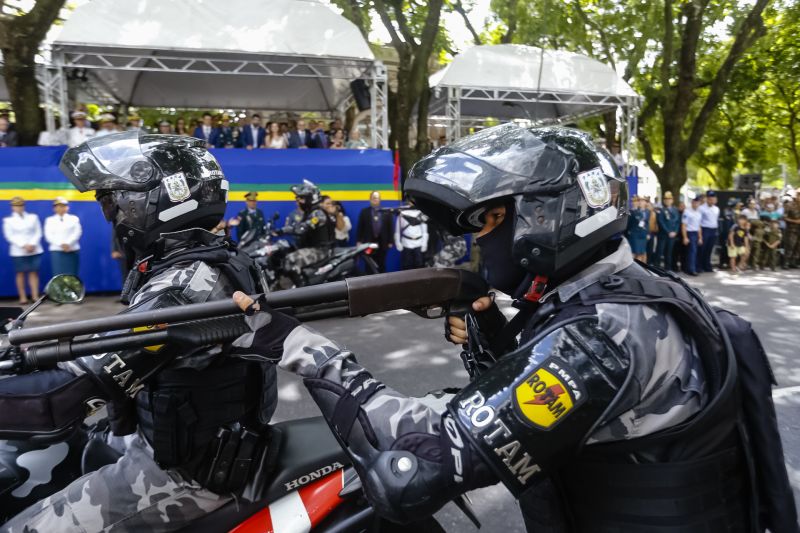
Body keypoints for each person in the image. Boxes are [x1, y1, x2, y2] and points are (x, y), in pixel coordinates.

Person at [228, 123, 797, 533]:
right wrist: (498, 337)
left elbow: (416, 465)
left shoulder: (600, 337)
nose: (477, 240)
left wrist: (299, 346)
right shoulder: (637, 293)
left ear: (549, 216)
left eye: (491, 220)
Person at [1, 131, 277, 532]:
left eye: (113, 202)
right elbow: (111, 344)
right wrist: (30, 353)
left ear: (156, 200)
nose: (111, 215)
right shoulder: (202, 264)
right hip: (192, 442)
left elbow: (62, 396)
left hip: (186, 472)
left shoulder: (185, 285)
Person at [281, 180, 334, 286]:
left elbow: (303, 228)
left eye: (301, 198)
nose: (299, 201)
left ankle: (302, 293)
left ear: (311, 199)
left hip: (321, 250)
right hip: (311, 248)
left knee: (290, 260)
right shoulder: (309, 212)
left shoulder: (318, 213)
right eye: (298, 198)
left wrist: (283, 230)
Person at [2, 196, 43, 304]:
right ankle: (23, 297)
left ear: (24, 206)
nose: (18, 208)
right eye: (16, 206)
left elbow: (38, 231)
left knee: (33, 273)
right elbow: (9, 236)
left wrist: (32, 244)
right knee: (20, 273)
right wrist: (24, 245)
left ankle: (35, 296)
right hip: (18, 250)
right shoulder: (8, 220)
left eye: (20, 205)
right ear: (12, 207)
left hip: (34, 249)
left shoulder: (33, 217)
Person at [43, 197, 82, 276]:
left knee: (73, 274)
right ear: (54, 208)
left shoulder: (74, 218)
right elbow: (48, 235)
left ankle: (73, 289)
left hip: (72, 249)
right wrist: (61, 244)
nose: (61, 208)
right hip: (57, 250)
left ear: (67, 207)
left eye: (64, 206)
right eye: (59, 206)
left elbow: (77, 232)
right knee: (58, 275)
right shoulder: (49, 220)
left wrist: (68, 243)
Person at [356, 191, 393, 272]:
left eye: (377, 198)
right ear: (370, 199)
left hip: (383, 242)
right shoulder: (364, 212)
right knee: (369, 263)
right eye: (373, 198)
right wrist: (359, 240)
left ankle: (382, 281)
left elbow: (390, 227)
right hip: (369, 242)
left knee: (382, 263)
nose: (375, 200)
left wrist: (390, 241)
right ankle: (369, 281)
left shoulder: (386, 212)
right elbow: (360, 227)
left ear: (380, 199)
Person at [394, 205, 428, 270]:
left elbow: (424, 231)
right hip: (406, 243)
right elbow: (397, 231)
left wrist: (424, 243)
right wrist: (398, 242)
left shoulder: (421, 214)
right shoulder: (402, 214)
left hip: (419, 243)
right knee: (406, 266)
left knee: (419, 265)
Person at [655, 191, 680, 269]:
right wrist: (668, 232)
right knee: (659, 252)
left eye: (669, 199)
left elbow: (678, 222)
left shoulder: (675, 210)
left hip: (672, 235)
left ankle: (668, 269)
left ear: (672, 200)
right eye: (666, 199)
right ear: (664, 201)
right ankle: (657, 268)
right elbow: (661, 222)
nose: (668, 201)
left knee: (669, 253)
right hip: (663, 235)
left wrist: (675, 231)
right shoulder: (661, 210)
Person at [698, 190, 720, 272]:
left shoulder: (716, 209)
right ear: (707, 199)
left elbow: (716, 220)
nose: (712, 200)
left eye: (713, 198)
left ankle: (707, 266)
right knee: (702, 249)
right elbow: (699, 221)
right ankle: (699, 266)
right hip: (705, 229)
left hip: (713, 230)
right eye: (710, 198)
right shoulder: (701, 208)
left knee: (709, 249)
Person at [681, 196, 703, 276]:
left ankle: (691, 268)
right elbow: (684, 225)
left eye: (698, 203)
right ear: (692, 203)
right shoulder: (687, 212)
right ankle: (691, 270)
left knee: (694, 252)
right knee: (692, 252)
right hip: (690, 233)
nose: (696, 204)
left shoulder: (699, 213)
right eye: (695, 202)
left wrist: (700, 237)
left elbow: (699, 226)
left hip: (696, 233)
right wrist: (685, 237)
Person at [626, 196, 650, 262]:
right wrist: (629, 232)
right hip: (635, 234)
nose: (640, 202)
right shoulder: (633, 211)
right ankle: (635, 269)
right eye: (639, 201)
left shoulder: (646, 211)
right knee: (635, 253)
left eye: (642, 201)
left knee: (642, 253)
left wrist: (648, 233)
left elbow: (647, 223)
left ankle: (642, 269)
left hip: (643, 234)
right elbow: (629, 224)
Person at [784, 190, 800, 268]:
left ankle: (793, 262)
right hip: (791, 230)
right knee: (790, 246)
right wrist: (795, 221)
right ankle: (786, 262)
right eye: (799, 195)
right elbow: (784, 217)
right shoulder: (789, 205)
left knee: (798, 246)